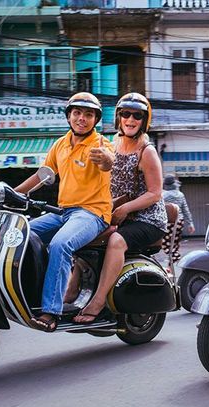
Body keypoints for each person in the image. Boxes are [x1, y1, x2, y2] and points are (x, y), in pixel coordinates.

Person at [14, 92, 115, 332]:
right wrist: (11, 192)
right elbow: (43, 175)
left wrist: (104, 159)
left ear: (95, 119)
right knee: (21, 233)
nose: (82, 118)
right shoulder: (60, 144)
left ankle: (51, 311)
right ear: (69, 116)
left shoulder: (101, 144)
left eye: (89, 114)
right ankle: (29, 293)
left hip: (92, 213)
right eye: (77, 113)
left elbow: (108, 162)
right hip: (63, 212)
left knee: (60, 244)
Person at [71, 92, 167, 324]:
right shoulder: (112, 144)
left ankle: (99, 300)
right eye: (125, 114)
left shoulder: (147, 151)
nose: (130, 120)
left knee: (116, 241)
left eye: (137, 116)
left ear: (144, 121)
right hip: (118, 215)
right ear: (118, 118)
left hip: (148, 220)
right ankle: (72, 292)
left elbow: (155, 193)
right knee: (79, 234)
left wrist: (125, 209)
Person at [162, 173, 195, 263]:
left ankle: (176, 258)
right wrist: (190, 223)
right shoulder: (180, 194)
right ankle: (171, 263)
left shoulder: (162, 195)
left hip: (167, 222)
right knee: (175, 243)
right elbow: (185, 209)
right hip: (179, 221)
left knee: (165, 244)